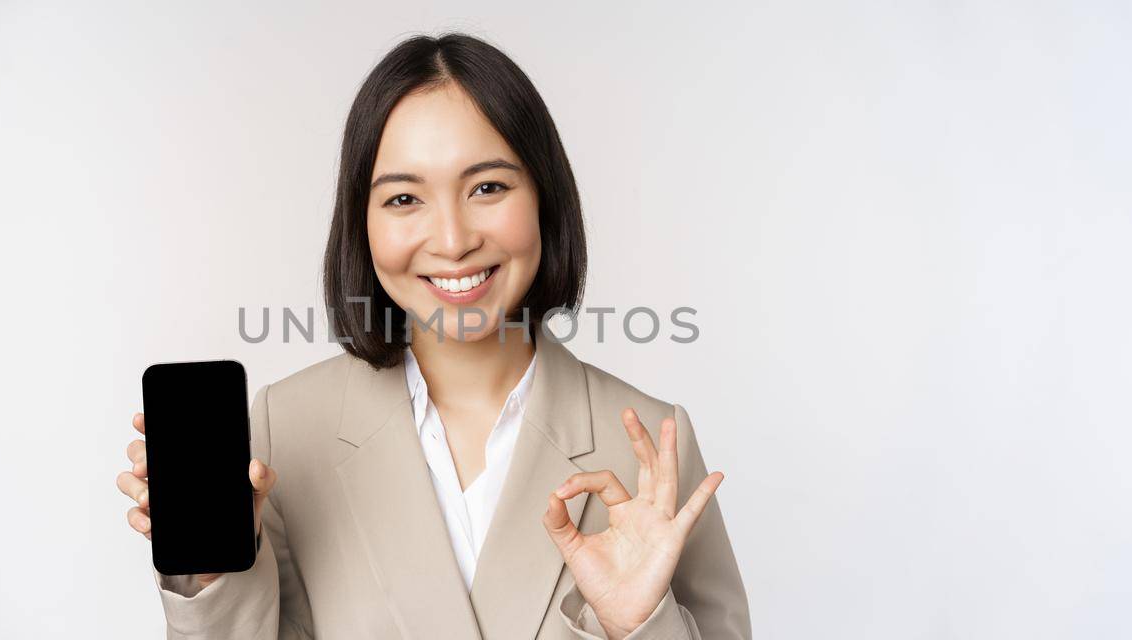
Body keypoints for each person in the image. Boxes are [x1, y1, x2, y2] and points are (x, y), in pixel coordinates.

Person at [116, 32, 751, 639]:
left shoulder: (646, 443)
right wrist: (212, 581)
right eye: (403, 199)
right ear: (361, 223)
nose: (452, 241)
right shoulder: (288, 429)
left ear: (544, 199)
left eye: (488, 187)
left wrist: (640, 625)